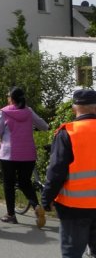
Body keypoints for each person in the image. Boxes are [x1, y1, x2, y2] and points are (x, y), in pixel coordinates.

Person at [42, 89, 96, 258]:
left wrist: (47, 198)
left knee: (72, 253)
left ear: (74, 108)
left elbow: (56, 171)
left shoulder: (68, 133)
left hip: (75, 207)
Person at [0, 86, 48, 227]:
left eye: (8, 96)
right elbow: (44, 126)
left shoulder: (4, 112)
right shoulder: (28, 111)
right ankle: (36, 206)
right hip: (28, 154)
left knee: (8, 185)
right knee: (25, 182)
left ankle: (11, 215)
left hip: (8, 155)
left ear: (11, 98)